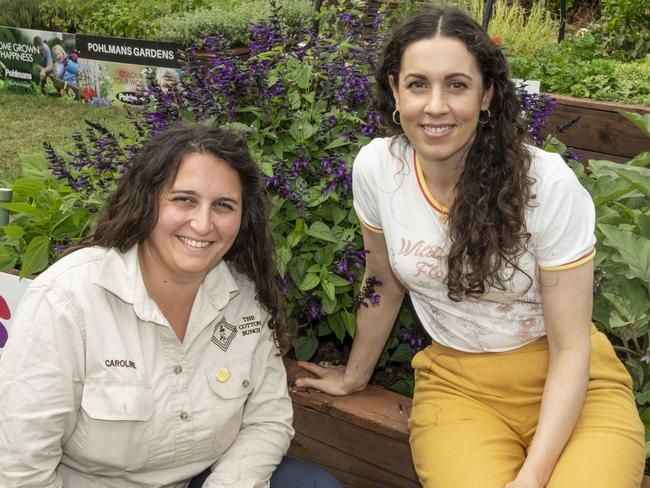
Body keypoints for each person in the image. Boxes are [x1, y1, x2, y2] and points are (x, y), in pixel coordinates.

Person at [296, 7, 645, 488]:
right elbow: (381, 281)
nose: (435, 105)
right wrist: (354, 375)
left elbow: (570, 348)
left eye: (457, 84)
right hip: (459, 388)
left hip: (571, 384)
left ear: (487, 95)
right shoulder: (378, 169)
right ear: (395, 92)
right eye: (418, 84)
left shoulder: (546, 184)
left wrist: (531, 478)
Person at [0, 125, 342, 488]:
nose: (202, 223)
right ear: (147, 200)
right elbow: (21, 466)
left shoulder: (245, 298)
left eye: (223, 205)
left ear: (243, 218)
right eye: (184, 200)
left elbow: (267, 421)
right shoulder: (67, 299)